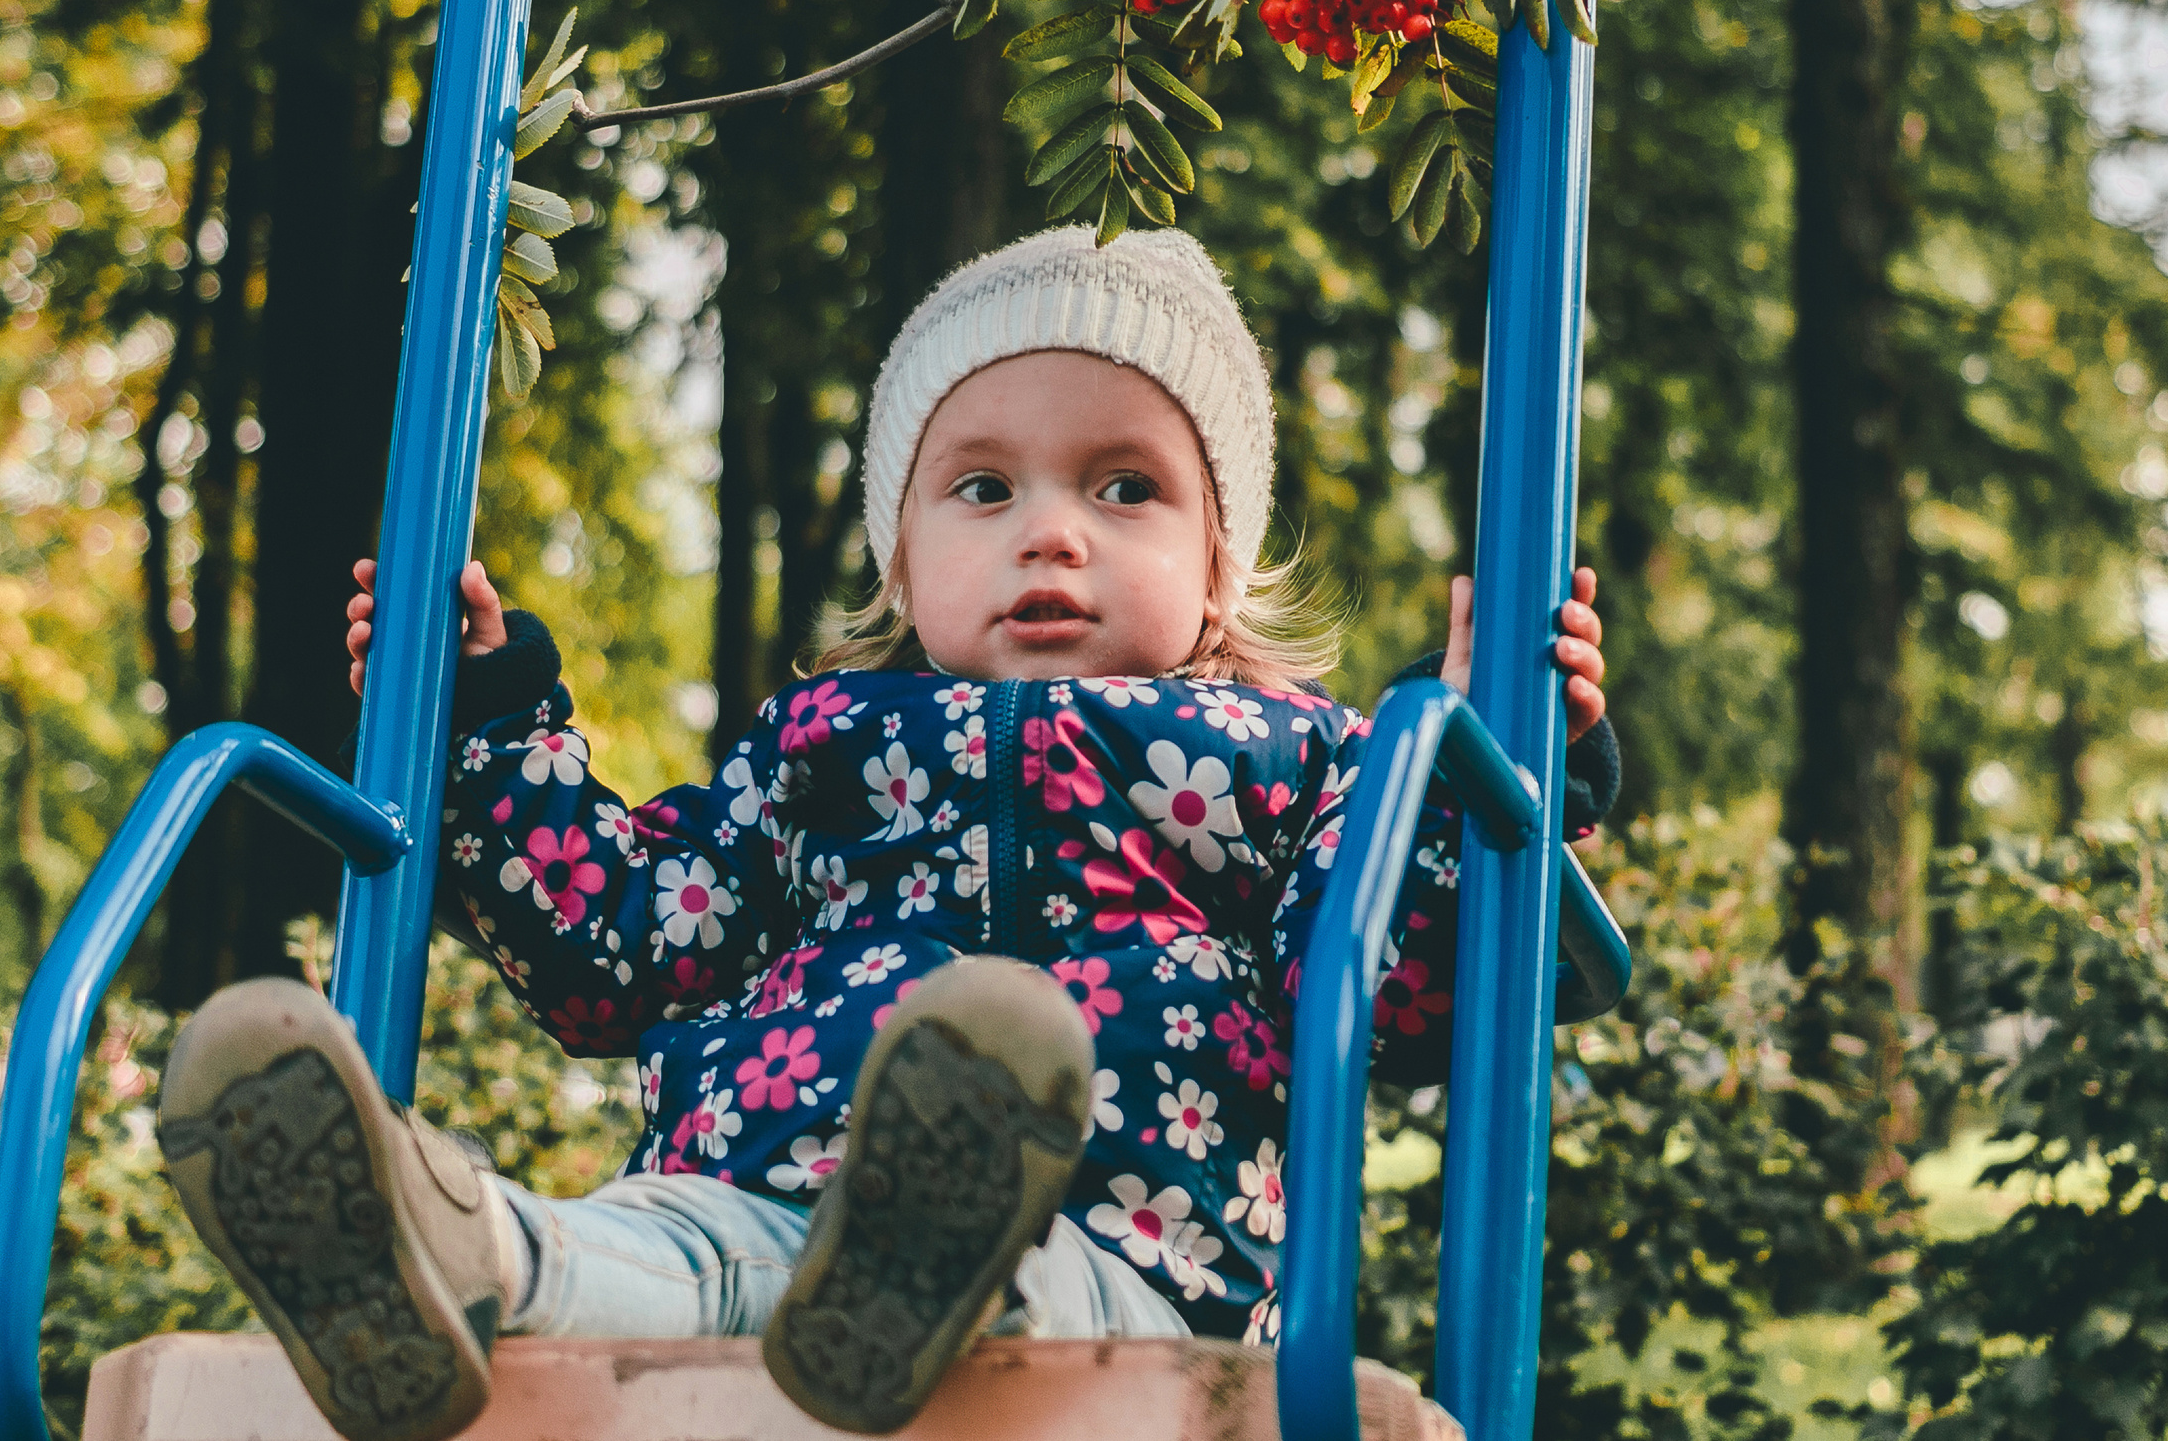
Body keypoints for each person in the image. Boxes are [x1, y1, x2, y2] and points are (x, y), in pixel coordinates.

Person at [156, 227, 1616, 1441]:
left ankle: (936, 1276)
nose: (1053, 532)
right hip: (758, 1210)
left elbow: (1400, 984)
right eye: (984, 487)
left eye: (1126, 487)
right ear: (904, 553)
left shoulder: (1305, 763)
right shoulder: (816, 751)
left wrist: (1493, 766)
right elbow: (622, 944)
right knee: (641, 1253)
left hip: (1119, 1255)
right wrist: (481, 722)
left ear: (1217, 557)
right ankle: (438, 1255)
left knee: (1029, 1276)